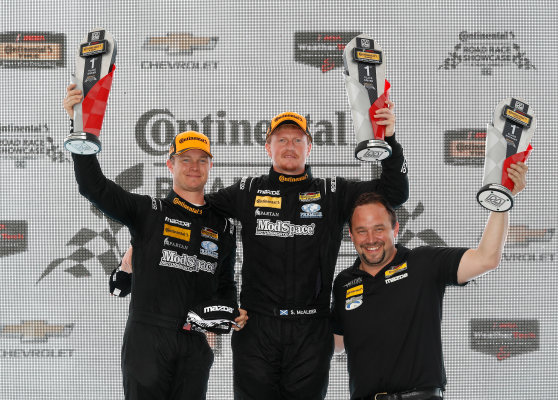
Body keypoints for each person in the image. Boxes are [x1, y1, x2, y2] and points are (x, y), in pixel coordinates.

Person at [206, 107, 409, 399]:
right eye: (281, 139)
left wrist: (389, 139)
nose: (290, 146)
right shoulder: (247, 190)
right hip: (256, 329)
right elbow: (196, 211)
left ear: (309, 147)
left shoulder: (332, 192)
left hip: (311, 331)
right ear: (268, 148)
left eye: (298, 140)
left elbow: (394, 192)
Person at [63, 84, 248, 400]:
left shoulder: (223, 226)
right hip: (147, 341)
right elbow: (93, 187)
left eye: (201, 159)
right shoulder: (148, 212)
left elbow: (226, 285)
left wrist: (230, 312)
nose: (193, 166)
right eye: (184, 158)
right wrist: (79, 126)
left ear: (210, 166)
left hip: (195, 343)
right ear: (170, 165)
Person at [331, 162, 528, 400]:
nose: (371, 239)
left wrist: (502, 200)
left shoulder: (422, 263)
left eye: (379, 228)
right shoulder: (344, 282)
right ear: (350, 235)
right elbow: (337, 343)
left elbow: (486, 259)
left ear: (395, 229)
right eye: (361, 230)